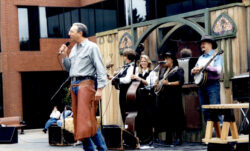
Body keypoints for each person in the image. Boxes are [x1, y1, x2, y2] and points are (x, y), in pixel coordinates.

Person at [60, 23, 107, 151]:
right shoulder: (74, 48)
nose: (69, 34)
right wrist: (64, 55)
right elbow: (68, 68)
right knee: (79, 122)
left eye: (71, 31)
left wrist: (100, 89)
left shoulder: (92, 47)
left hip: (86, 85)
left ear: (80, 33)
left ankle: (102, 148)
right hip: (74, 85)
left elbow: (100, 68)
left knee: (87, 120)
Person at [154, 51, 185, 146]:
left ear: (172, 60)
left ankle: (179, 138)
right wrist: (157, 84)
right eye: (164, 58)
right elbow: (161, 82)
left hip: (174, 97)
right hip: (164, 97)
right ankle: (168, 139)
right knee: (166, 117)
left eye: (167, 58)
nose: (165, 60)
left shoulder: (178, 69)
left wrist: (169, 83)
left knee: (175, 117)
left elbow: (181, 82)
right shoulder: (162, 70)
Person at [191, 35, 223, 123]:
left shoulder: (216, 55)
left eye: (204, 43)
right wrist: (193, 70)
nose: (202, 45)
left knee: (215, 109)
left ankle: (220, 133)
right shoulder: (201, 58)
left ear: (210, 44)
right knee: (205, 110)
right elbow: (195, 69)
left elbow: (218, 70)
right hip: (202, 86)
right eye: (201, 43)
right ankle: (209, 133)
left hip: (212, 85)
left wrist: (205, 68)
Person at [131, 55, 158, 144]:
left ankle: (149, 138)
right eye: (141, 61)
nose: (143, 63)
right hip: (139, 97)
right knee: (140, 117)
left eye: (144, 61)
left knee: (148, 117)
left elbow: (148, 83)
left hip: (148, 97)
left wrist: (138, 78)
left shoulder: (151, 72)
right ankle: (141, 137)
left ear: (148, 63)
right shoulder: (138, 72)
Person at [109, 49, 136, 123]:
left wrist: (116, 79)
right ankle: (125, 127)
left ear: (128, 57)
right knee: (123, 110)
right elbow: (119, 74)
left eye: (125, 56)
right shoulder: (126, 67)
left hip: (128, 92)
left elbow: (127, 80)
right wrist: (114, 76)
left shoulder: (132, 67)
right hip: (123, 91)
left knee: (127, 110)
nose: (124, 58)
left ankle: (129, 128)